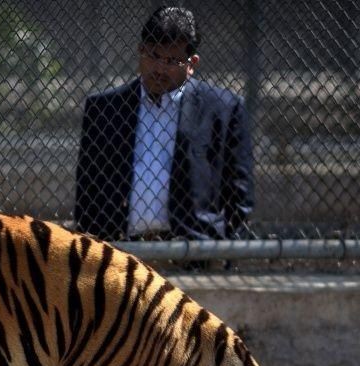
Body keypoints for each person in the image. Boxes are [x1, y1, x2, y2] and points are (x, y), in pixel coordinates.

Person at [75, 6, 254, 243]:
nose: (159, 68)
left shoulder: (223, 110)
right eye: (153, 55)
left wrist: (224, 251)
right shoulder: (104, 110)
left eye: (172, 60)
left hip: (193, 253)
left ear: (192, 64)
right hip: (121, 253)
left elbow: (239, 191)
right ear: (140, 51)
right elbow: (86, 190)